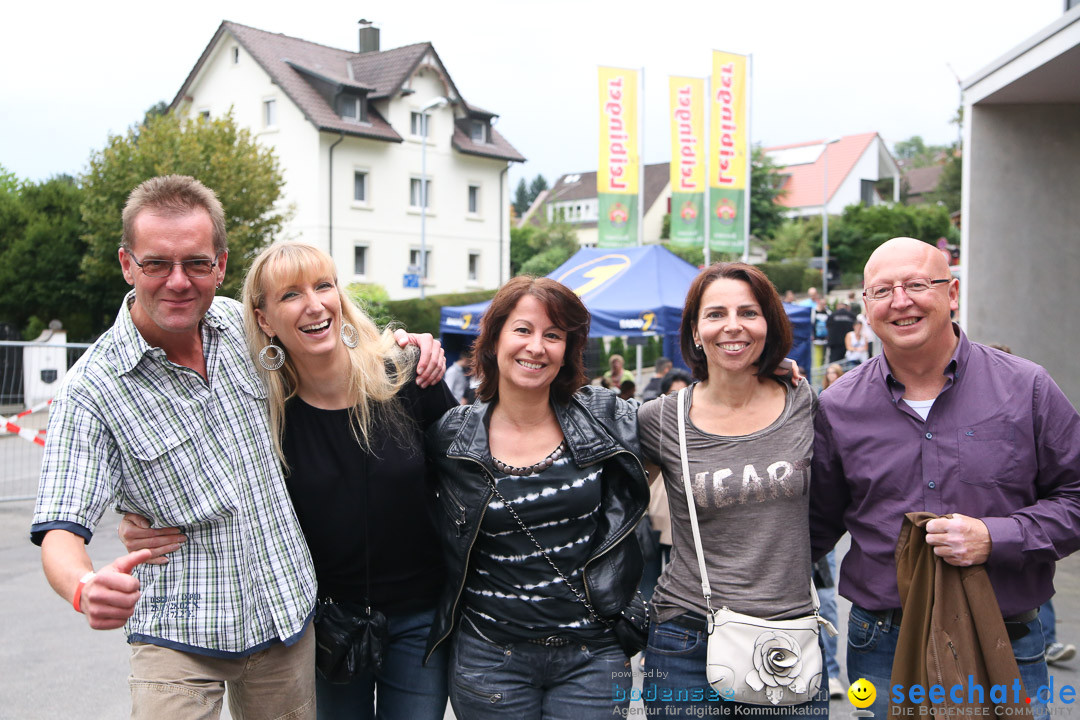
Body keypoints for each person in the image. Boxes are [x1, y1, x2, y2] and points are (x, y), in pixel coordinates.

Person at [32, 175, 442, 720]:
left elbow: (328, 342)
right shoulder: (91, 389)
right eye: (157, 263)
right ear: (128, 264)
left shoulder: (240, 327)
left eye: (196, 263)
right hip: (179, 630)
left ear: (219, 266)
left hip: (285, 622)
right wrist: (83, 585)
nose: (178, 282)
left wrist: (410, 344)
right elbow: (59, 526)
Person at [120, 241, 453, 720]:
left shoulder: (405, 375)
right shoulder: (265, 410)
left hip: (421, 618)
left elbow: (472, 474)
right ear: (264, 319)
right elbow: (211, 483)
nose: (315, 305)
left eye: (324, 286)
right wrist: (143, 522)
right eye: (291, 295)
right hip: (324, 624)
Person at [811, 237, 1080, 719]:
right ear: (866, 307)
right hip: (881, 648)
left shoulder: (1027, 387)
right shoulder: (836, 408)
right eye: (882, 290)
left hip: (1008, 637)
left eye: (916, 284)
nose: (901, 301)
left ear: (951, 293)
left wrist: (996, 537)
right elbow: (812, 526)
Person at [424, 275, 650, 720]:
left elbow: (693, 421)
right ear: (494, 339)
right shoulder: (451, 434)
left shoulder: (605, 415)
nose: (536, 346)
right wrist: (403, 342)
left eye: (553, 335)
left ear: (568, 349)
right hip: (490, 659)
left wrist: (761, 378)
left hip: (594, 657)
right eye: (523, 330)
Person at [637, 262, 828, 716]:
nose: (733, 325)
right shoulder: (660, 418)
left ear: (769, 324)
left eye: (749, 312)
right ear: (696, 331)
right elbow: (613, 506)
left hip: (791, 636)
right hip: (688, 637)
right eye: (716, 314)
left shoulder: (802, 401)